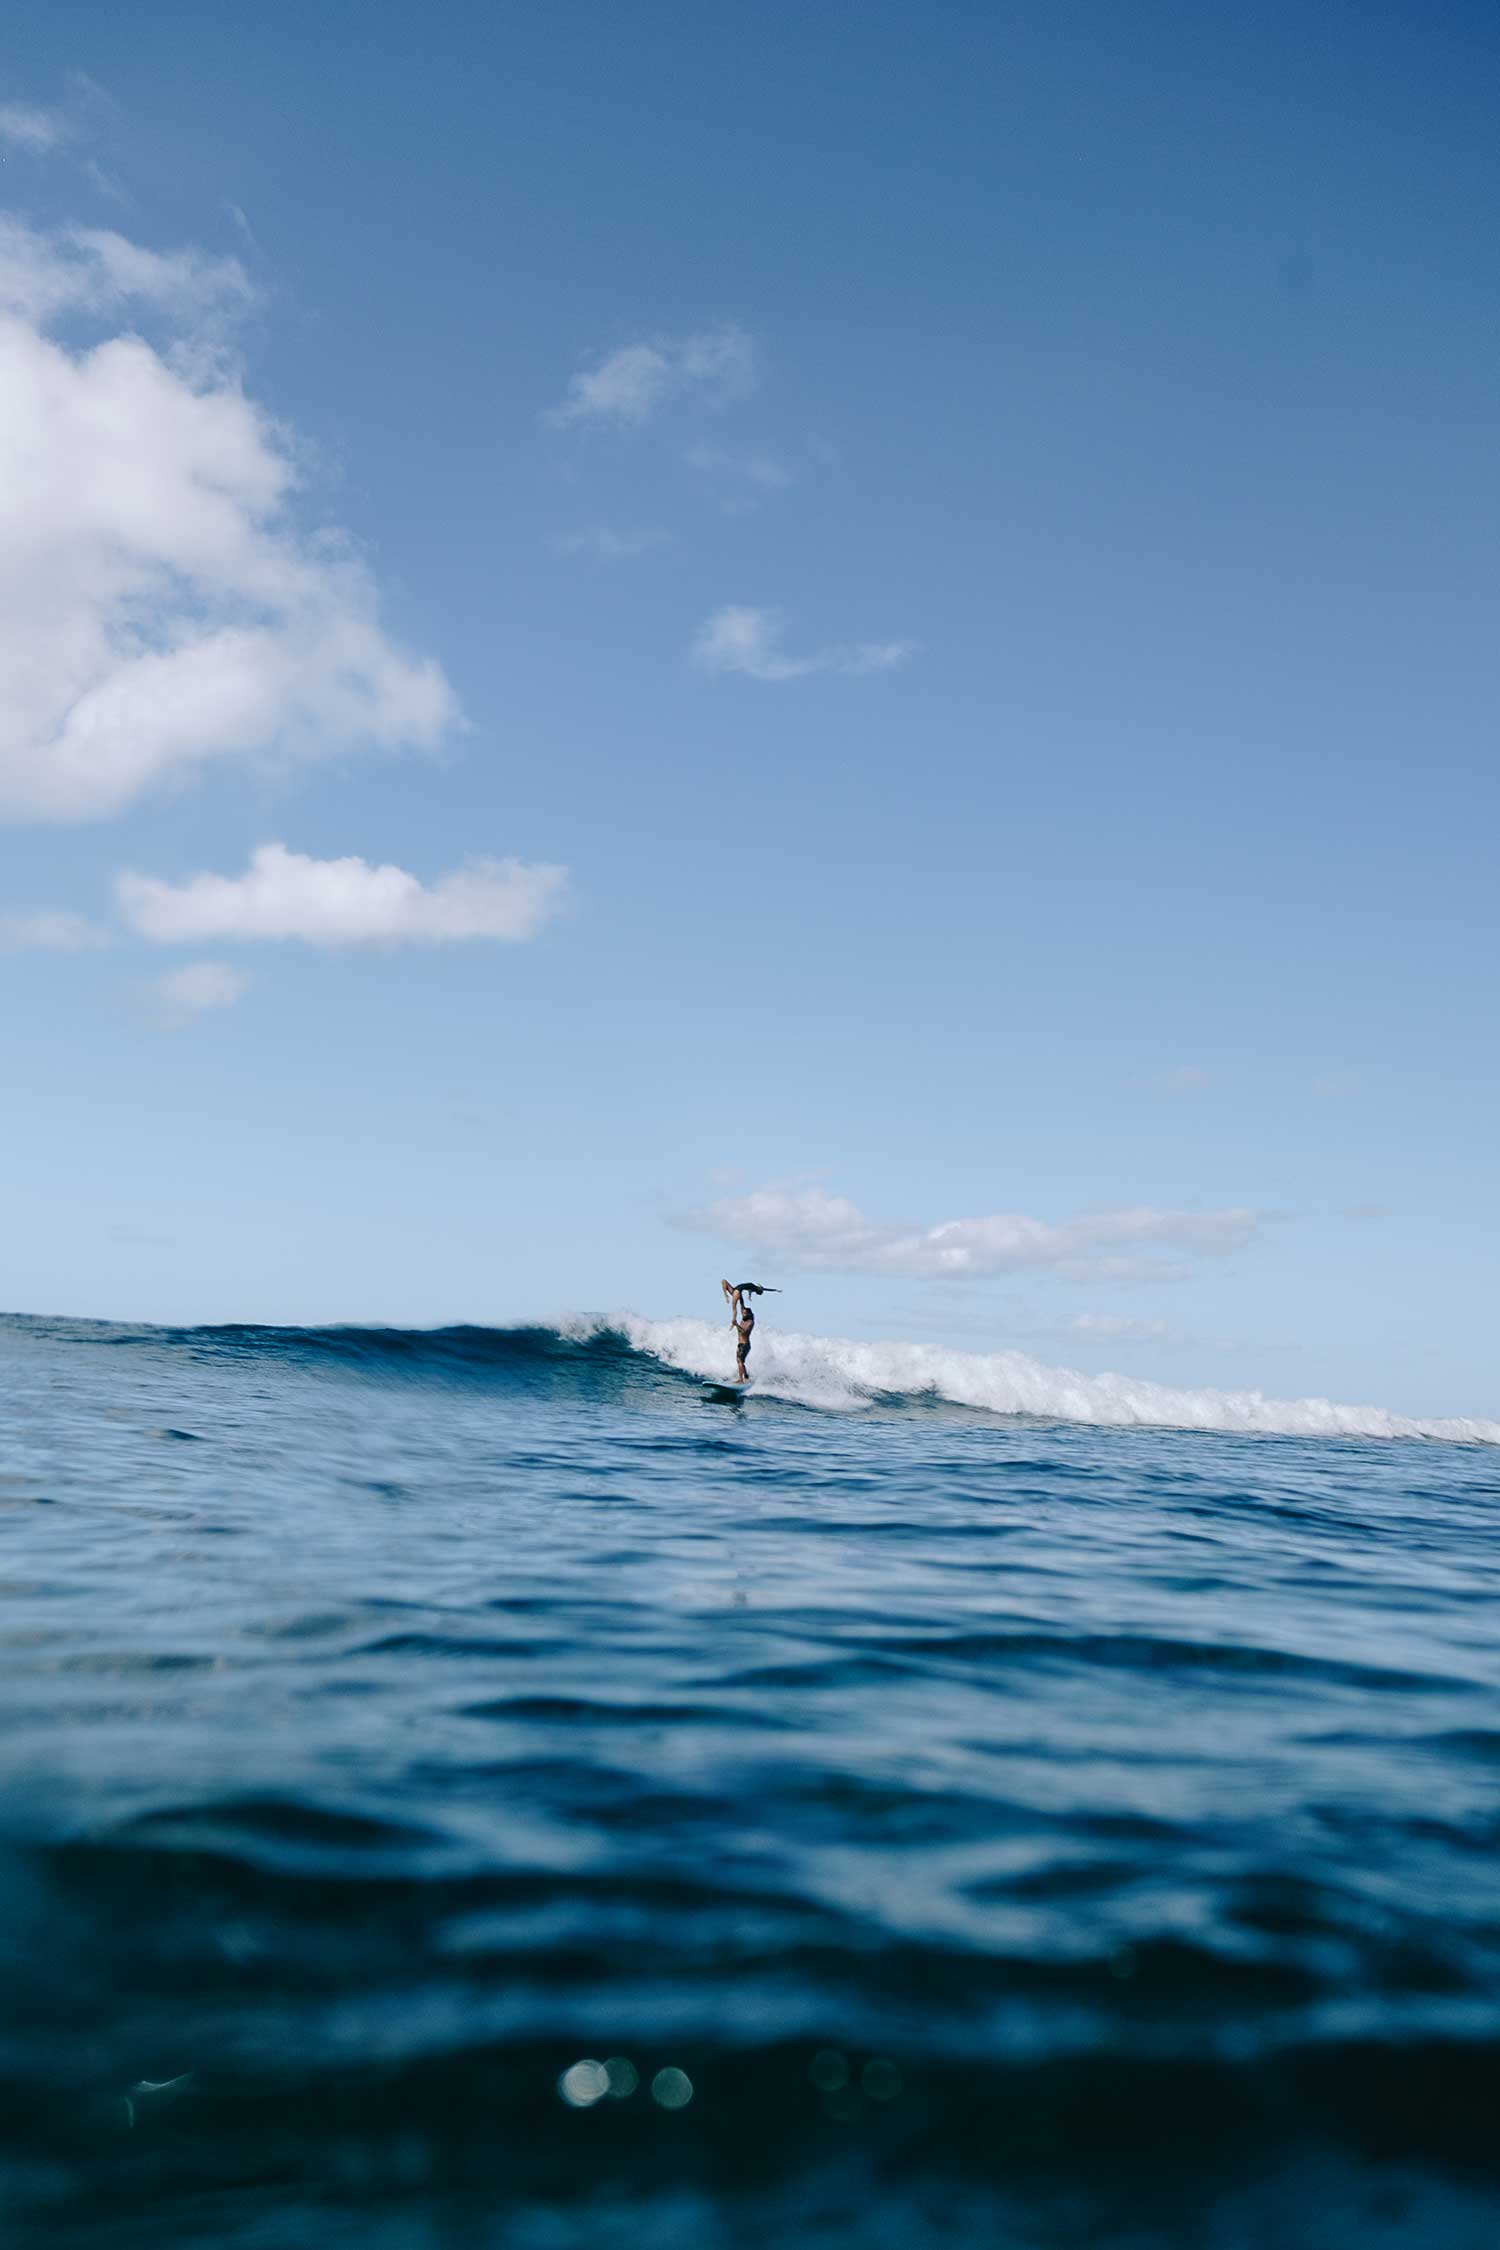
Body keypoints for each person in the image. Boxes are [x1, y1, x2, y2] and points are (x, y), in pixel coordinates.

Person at [721, 1279, 756, 1384]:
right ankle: (746, 1376)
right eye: (743, 1313)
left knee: (739, 1361)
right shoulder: (744, 1318)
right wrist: (739, 1296)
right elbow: (741, 1304)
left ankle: (741, 1380)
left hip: (744, 1344)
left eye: (745, 1313)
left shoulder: (750, 1322)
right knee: (741, 1361)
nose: (743, 1314)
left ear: (749, 1314)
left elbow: (744, 1332)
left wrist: (736, 1324)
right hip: (741, 1344)